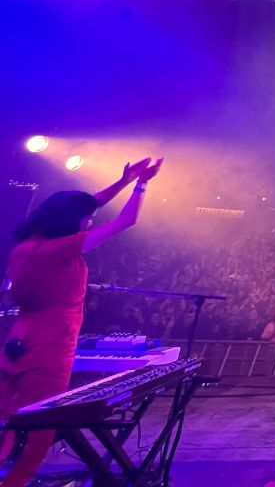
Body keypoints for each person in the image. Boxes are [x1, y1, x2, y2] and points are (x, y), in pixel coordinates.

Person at [0, 157, 163, 487]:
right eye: (86, 218)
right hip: (51, 343)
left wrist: (123, 180)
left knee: (6, 418)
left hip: (18, 339)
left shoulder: (30, 242)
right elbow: (124, 221)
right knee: (41, 425)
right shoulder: (62, 248)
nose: (91, 220)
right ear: (72, 221)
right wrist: (141, 184)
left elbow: (87, 203)